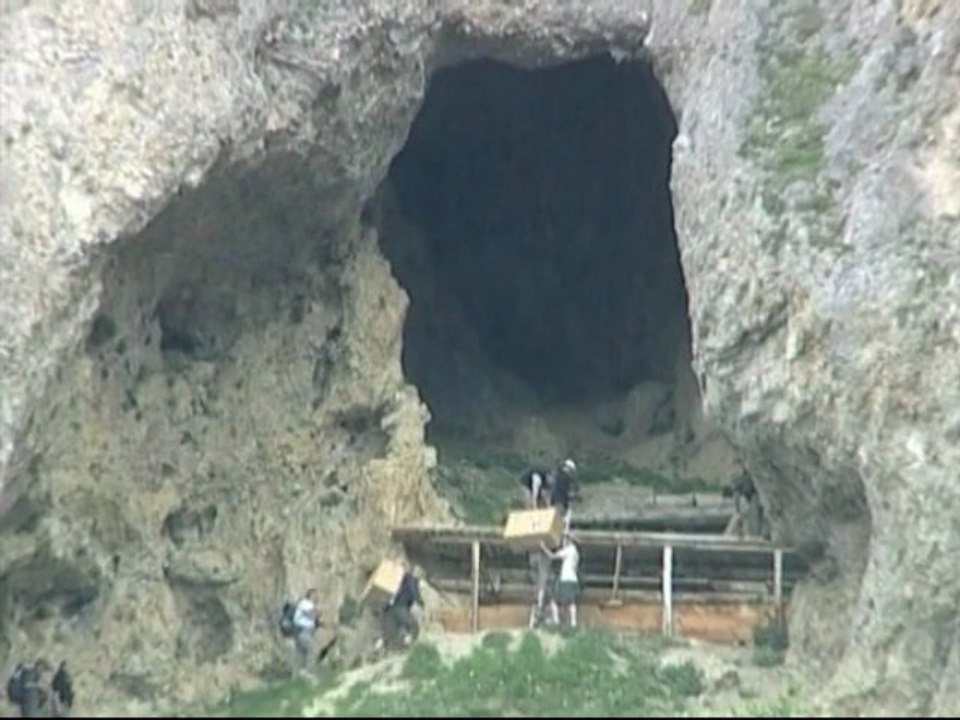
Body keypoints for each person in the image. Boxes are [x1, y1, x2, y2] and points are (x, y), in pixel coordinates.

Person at [376, 568, 424, 652]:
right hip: (400, 607)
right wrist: (420, 601)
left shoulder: (406, 578)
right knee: (412, 625)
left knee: (396, 630)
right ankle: (409, 639)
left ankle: (406, 640)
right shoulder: (411, 580)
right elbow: (413, 591)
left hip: (394, 608)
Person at [542, 534, 581, 627]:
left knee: (554, 600)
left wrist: (544, 547)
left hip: (566, 579)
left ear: (569, 541)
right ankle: (573, 622)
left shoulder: (568, 550)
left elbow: (553, 556)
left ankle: (556, 620)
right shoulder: (576, 553)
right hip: (573, 579)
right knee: (572, 602)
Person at [291, 589, 321, 674]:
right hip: (303, 632)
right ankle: (308, 672)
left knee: (303, 653)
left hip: (305, 632)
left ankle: (301, 672)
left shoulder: (307, 604)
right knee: (312, 651)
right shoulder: (306, 603)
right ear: (311, 596)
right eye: (315, 595)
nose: (317, 597)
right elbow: (315, 613)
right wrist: (319, 611)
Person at [527, 547, 554, 629]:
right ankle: (540, 609)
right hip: (541, 556)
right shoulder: (543, 560)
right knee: (543, 584)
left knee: (541, 586)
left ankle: (539, 612)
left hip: (535, 555)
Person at [548, 458, 577, 533]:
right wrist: (572, 496)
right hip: (559, 501)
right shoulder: (564, 478)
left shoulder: (558, 475)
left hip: (555, 500)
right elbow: (565, 491)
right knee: (559, 520)